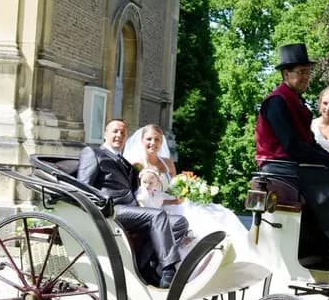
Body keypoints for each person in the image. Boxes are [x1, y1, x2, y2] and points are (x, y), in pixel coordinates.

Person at [255, 43, 329, 267]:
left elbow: (309, 143)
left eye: (308, 72)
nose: (306, 77)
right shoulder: (277, 102)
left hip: (293, 167)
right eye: (301, 72)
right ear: (286, 74)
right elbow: (293, 146)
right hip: (279, 169)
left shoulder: (296, 103)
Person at [78, 119, 189, 288]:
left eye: (123, 133)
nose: (119, 136)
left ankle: (144, 265)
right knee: (158, 216)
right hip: (112, 209)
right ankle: (168, 270)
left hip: (133, 208)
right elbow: (83, 187)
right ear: (105, 134)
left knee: (179, 222)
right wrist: (99, 207)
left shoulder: (124, 161)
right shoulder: (93, 153)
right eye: (115, 131)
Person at [123, 123, 250, 257]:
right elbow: (137, 193)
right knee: (192, 225)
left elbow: (174, 185)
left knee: (217, 214)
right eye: (149, 139)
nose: (153, 143)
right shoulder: (135, 164)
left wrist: (188, 190)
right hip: (155, 207)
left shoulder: (168, 162)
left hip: (175, 201)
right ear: (142, 140)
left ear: (161, 142)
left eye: (157, 139)